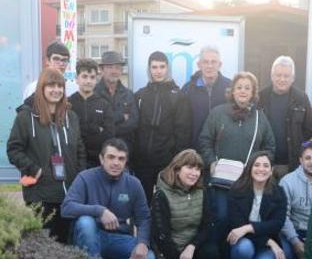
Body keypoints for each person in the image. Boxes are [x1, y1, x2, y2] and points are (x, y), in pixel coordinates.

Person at [199, 71, 276, 259]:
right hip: (221, 182)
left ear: (253, 93)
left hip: (247, 184)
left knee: (240, 224)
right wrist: (211, 162)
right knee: (222, 220)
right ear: (232, 90)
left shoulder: (261, 117)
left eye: (247, 88)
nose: (243, 91)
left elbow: (270, 147)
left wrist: (257, 166)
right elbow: (205, 140)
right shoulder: (217, 113)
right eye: (239, 87)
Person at [7, 68, 86, 244]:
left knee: (67, 242)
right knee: (46, 244)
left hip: (69, 192)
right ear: (42, 88)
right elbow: (14, 150)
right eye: (51, 85)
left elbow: (80, 150)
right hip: (41, 192)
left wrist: (80, 177)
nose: (56, 90)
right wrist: (34, 170)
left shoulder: (71, 117)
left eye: (60, 86)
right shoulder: (25, 117)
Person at [61, 138, 156, 259]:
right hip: (89, 237)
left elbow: (144, 218)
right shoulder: (85, 177)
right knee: (86, 222)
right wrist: (99, 211)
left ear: (125, 162)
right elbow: (66, 208)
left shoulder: (134, 184)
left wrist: (142, 243)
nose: (116, 163)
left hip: (117, 239)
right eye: (111, 157)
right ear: (101, 159)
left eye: (121, 159)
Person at [146, 149, 218, 259]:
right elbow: (162, 238)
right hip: (165, 254)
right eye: (189, 167)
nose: (194, 173)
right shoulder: (161, 195)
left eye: (198, 169)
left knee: (212, 252)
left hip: (188, 250)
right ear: (177, 169)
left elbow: (207, 225)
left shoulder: (201, 192)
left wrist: (192, 246)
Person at [225, 151, 287, 259]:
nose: (261, 169)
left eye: (266, 166)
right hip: (243, 240)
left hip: (263, 240)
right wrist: (271, 243)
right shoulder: (237, 189)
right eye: (257, 165)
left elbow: (277, 223)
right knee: (243, 248)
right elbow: (236, 227)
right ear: (250, 168)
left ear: (271, 171)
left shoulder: (279, 193)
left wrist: (248, 227)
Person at [133, 51, 191, 204]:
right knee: (142, 204)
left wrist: (176, 162)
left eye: (162, 67)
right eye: (154, 67)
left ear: (167, 68)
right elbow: (134, 128)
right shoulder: (140, 95)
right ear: (149, 69)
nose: (158, 71)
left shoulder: (178, 96)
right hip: (142, 162)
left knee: (166, 205)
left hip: (167, 162)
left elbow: (182, 131)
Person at [257, 56, 312, 178]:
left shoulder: (301, 98)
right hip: (263, 164)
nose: (282, 79)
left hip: (291, 165)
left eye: (286, 76)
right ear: (272, 76)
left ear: (292, 78)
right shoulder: (260, 97)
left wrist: (296, 145)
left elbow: (309, 129)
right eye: (278, 75)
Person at [181, 45, 232, 149]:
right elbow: (182, 123)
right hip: (195, 149)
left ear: (220, 65)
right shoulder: (188, 89)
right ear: (199, 65)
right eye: (206, 62)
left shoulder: (231, 87)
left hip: (223, 148)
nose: (210, 66)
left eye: (213, 62)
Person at [68, 58, 115, 168]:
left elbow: (109, 134)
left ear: (96, 80)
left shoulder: (104, 104)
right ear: (76, 79)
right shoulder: (68, 104)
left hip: (97, 162)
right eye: (84, 76)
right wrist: (97, 129)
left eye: (92, 77)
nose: (88, 81)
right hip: (73, 160)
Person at [95, 51, 138, 149]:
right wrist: (122, 117)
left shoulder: (128, 94)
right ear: (102, 70)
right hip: (99, 151)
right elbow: (95, 124)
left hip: (124, 152)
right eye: (110, 67)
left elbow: (133, 123)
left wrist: (106, 129)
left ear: (121, 71)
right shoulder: (94, 93)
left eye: (117, 67)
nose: (114, 71)